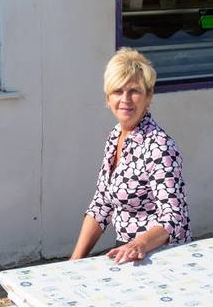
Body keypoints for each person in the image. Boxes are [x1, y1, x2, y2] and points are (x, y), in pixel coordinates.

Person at [70, 47, 191, 264]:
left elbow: (174, 218)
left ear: (148, 97)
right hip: (125, 252)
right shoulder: (115, 136)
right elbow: (101, 205)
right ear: (108, 98)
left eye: (134, 91)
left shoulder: (159, 146)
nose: (125, 99)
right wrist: (73, 263)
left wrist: (138, 245)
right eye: (118, 91)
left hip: (160, 255)